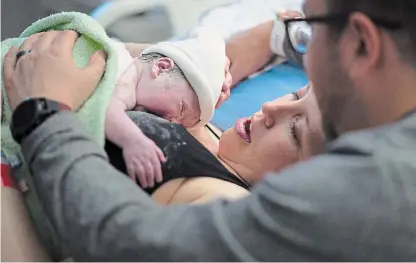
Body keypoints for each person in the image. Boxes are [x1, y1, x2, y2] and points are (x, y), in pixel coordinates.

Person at [3, 0, 416, 261]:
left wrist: (43, 112)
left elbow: (120, 241)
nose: (271, 107)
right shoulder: (224, 136)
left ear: (362, 44)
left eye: (314, 26)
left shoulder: (225, 196)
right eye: (296, 90)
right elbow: (178, 65)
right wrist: (274, 36)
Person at [105, 82, 324, 204]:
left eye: (295, 131)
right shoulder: (216, 136)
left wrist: (68, 105)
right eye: (296, 95)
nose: (270, 107)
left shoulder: (230, 203)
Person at [107, 28, 231, 189]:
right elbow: (108, 112)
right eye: (181, 109)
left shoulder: (139, 90)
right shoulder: (127, 79)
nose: (172, 121)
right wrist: (133, 141)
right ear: (161, 67)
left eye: (180, 124)